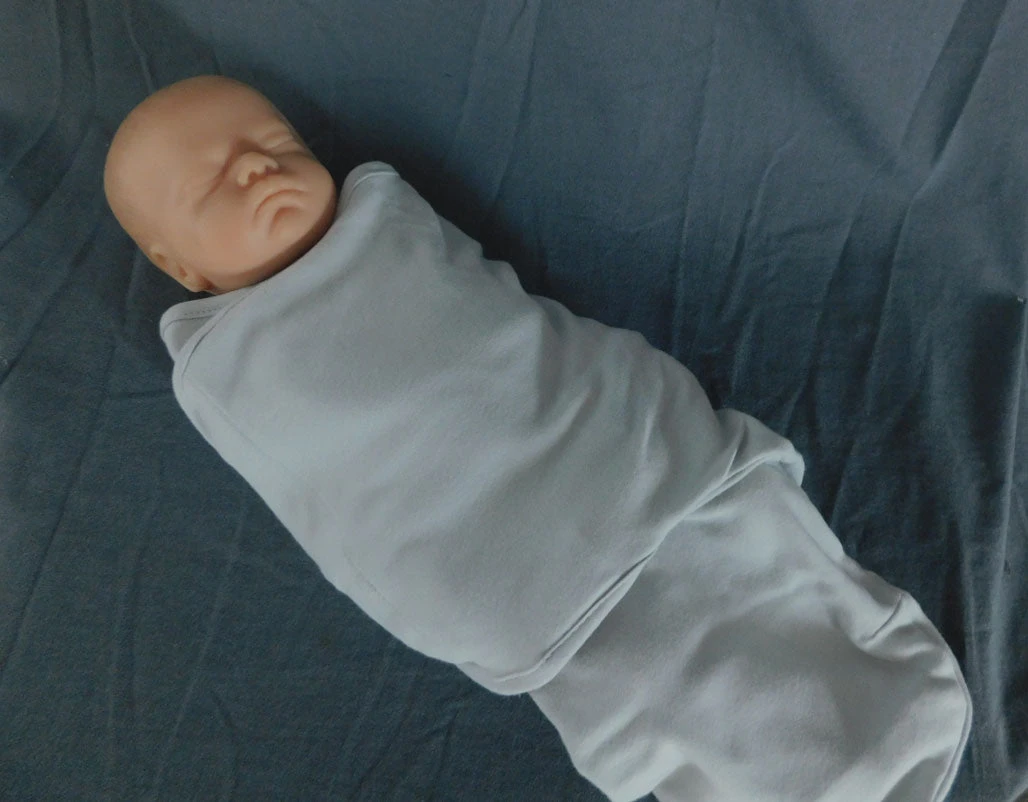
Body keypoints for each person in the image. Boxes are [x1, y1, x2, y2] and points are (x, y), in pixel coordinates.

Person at [104, 75, 972, 801]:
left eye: (275, 142)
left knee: (751, 564)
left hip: (610, 443)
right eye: (212, 183)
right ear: (183, 269)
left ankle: (880, 694)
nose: (256, 165)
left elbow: (494, 318)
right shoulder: (229, 374)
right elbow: (332, 502)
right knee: (648, 680)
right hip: (504, 562)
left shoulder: (383, 221)